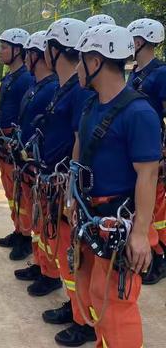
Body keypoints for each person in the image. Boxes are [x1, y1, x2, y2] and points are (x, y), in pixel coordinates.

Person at [73, 24, 161, 347]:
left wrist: (139, 234)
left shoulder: (138, 112)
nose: (77, 66)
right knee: (97, 294)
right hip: (93, 217)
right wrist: (73, 196)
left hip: (120, 222)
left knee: (117, 302)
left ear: (95, 61)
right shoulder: (91, 106)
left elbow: (147, 175)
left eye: (82, 59)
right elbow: (79, 153)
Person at [31, 18, 96, 347]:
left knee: (74, 256)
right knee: (62, 249)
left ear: (56, 50)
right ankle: (76, 308)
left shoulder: (79, 94)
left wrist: (70, 186)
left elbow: (78, 142)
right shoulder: (64, 88)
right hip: (51, 180)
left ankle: (84, 320)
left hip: (64, 185)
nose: (43, 52)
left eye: (47, 47)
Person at [12, 31, 59, 282]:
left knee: (45, 221)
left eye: (29, 53)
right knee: (37, 219)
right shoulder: (36, 86)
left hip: (41, 164)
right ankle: (40, 264)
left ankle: (50, 273)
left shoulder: (51, 88)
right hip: (29, 162)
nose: (26, 58)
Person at [127, 18, 166, 285]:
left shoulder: (161, 73)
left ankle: (160, 257)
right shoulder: (136, 71)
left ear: (140, 41)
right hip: (135, 149)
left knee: (157, 209)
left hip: (154, 151)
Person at [0, 28, 34, 260]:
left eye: (5, 47)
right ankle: (18, 229)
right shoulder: (10, 77)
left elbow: (25, 116)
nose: (0, 52)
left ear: (18, 50)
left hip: (14, 145)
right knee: (11, 193)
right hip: (3, 142)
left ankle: (26, 237)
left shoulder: (26, 79)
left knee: (22, 194)